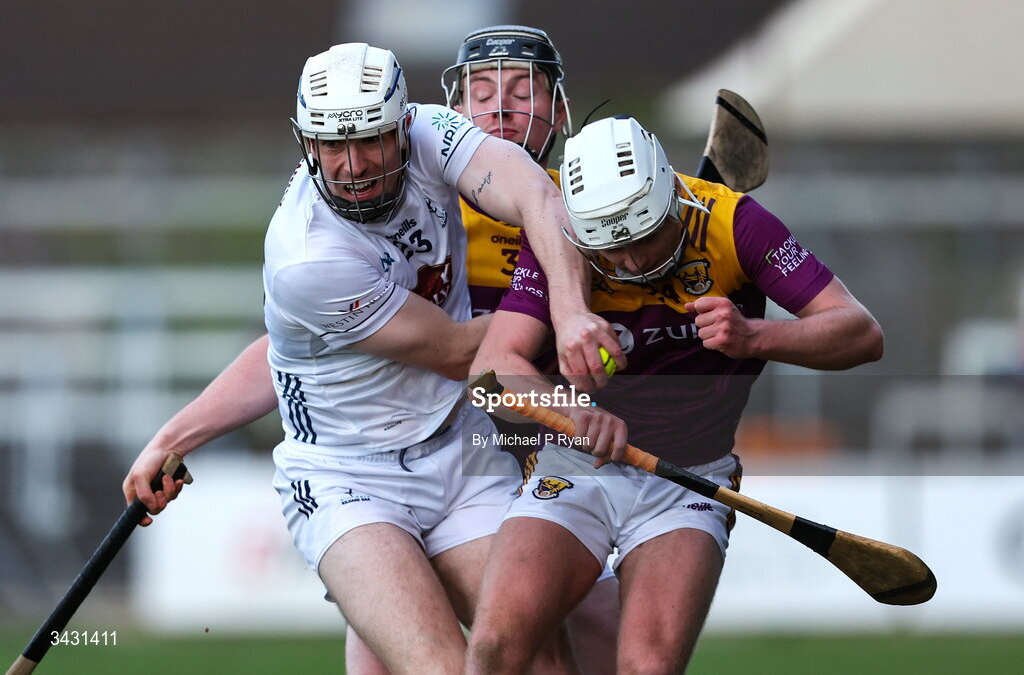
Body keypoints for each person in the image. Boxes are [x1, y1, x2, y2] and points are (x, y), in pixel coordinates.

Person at [124, 42, 623, 675]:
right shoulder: (308, 258)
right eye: (331, 145)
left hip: (460, 452)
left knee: (536, 645)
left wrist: (576, 310)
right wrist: (609, 313)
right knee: (438, 667)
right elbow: (457, 352)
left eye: (370, 142)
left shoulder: (432, 133)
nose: (352, 165)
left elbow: (539, 196)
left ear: (401, 125)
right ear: (306, 142)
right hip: (351, 479)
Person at [465, 115, 884, 674]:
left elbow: (862, 334)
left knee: (647, 668)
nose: (631, 263)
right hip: (575, 467)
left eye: (642, 239)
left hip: (691, 479)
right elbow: (488, 375)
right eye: (610, 251)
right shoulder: (562, 236)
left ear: (668, 202)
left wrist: (754, 335)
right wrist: (571, 411)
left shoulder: (736, 226)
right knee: (496, 646)